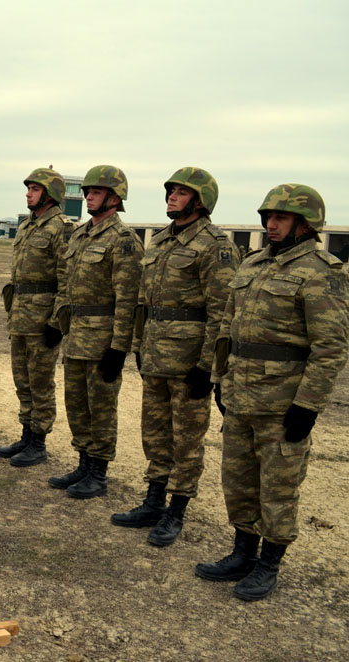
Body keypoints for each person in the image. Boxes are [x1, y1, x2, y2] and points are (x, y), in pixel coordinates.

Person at [195, 184, 348, 601]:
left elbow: (330, 347)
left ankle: (269, 563)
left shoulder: (322, 270)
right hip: (241, 395)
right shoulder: (254, 262)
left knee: (278, 487)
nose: (271, 224)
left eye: (281, 218)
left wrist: (308, 406)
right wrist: (219, 378)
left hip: (283, 404)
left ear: (305, 223)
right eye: (268, 216)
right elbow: (227, 324)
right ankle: (242, 552)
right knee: (238, 481)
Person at [111, 168, 238, 546]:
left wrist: (207, 367)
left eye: (182, 193)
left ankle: (177, 510)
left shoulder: (217, 246)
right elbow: (143, 303)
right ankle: (153, 500)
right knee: (154, 433)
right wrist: (138, 345)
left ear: (200, 201)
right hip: (156, 356)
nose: (172, 197)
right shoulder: (162, 241)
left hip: (189, 362)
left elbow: (222, 313)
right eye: (171, 191)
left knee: (186, 439)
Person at [49, 165, 142, 498]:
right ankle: (84, 463)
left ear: (115, 198)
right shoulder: (80, 234)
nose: (88, 196)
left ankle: (99, 473)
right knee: (77, 404)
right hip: (75, 335)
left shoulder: (124, 240)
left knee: (100, 407)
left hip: (102, 340)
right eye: (87, 191)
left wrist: (119, 348)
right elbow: (66, 284)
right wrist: (58, 326)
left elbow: (128, 298)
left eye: (96, 192)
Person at [0, 167, 75, 467]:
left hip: (43, 320)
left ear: (50, 194)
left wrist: (56, 322)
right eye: (28, 189)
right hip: (20, 316)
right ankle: (26, 434)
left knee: (40, 382)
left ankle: (39, 442)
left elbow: (67, 281)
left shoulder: (62, 228)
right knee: (22, 380)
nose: (28, 193)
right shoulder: (28, 226)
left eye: (34, 189)